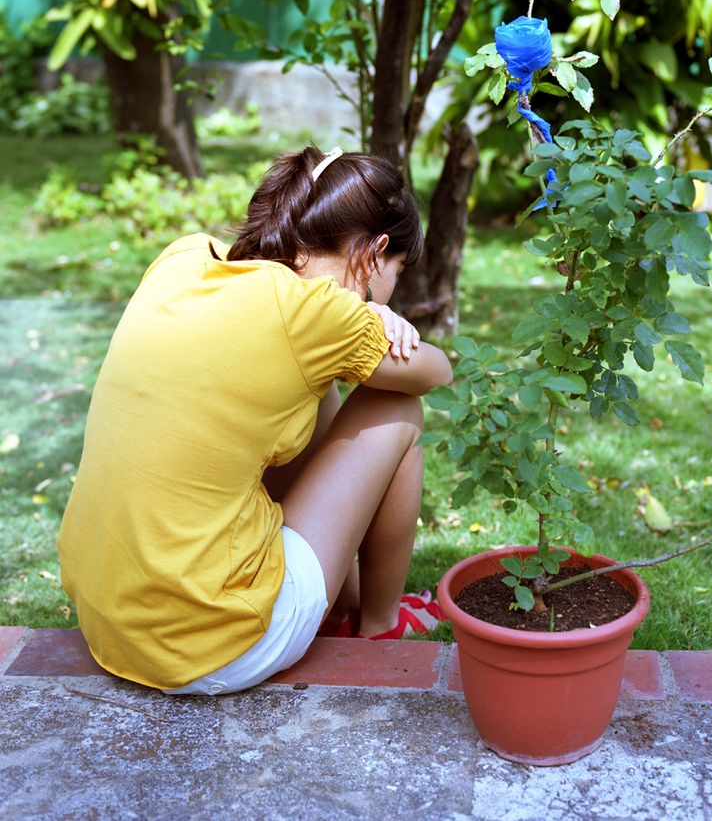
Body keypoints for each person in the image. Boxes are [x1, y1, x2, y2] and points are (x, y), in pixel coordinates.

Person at [57, 144, 453, 696]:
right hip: (212, 641)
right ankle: (381, 624)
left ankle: (345, 603)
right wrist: (375, 315)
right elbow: (436, 373)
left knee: (310, 391)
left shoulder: (187, 257)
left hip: (110, 619)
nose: (392, 290)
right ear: (374, 252)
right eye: (396, 274)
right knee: (397, 407)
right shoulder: (315, 315)